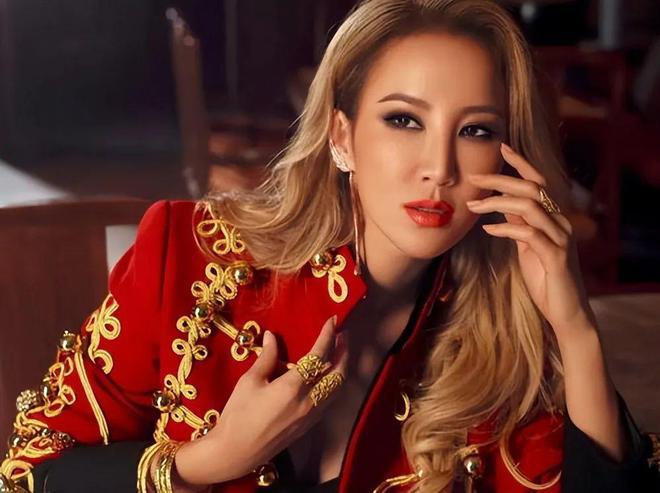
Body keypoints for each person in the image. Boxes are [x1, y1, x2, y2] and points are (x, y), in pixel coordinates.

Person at [1, 0, 657, 492]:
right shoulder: (191, 255)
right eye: (404, 120)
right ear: (341, 137)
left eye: (476, 130)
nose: (439, 168)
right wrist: (209, 461)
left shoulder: (504, 336)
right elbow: (30, 470)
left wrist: (575, 327)